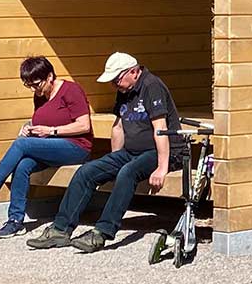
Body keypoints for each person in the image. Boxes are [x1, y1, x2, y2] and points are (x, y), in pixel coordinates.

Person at [26, 51, 187, 253]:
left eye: (116, 80)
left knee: (128, 172)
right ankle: (60, 229)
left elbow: (160, 129)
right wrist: (113, 159)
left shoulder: (151, 86)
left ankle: (102, 232)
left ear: (134, 72)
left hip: (162, 151)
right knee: (87, 172)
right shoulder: (124, 89)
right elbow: (118, 127)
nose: (114, 85)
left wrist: (162, 168)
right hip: (132, 151)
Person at [0, 56, 95, 237]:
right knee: (23, 164)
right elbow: (39, 119)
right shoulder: (40, 95)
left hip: (76, 147)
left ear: (50, 76)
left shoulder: (71, 91)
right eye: (30, 86)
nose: (34, 89)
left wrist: (51, 131)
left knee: (21, 145)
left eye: (36, 84)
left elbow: (84, 125)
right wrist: (28, 127)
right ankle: (15, 220)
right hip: (50, 145)